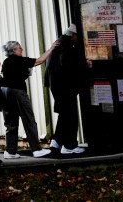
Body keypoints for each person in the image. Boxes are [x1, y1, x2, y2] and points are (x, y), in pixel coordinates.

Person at [0, 39, 57, 159]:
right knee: (29, 119)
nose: (22, 50)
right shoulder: (19, 60)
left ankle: (10, 151)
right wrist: (51, 48)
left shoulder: (6, 62)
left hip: (5, 92)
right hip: (18, 91)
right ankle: (36, 149)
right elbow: (40, 60)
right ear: (14, 50)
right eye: (20, 48)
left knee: (11, 122)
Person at [48, 24, 91, 155]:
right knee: (70, 115)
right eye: (78, 36)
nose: (79, 39)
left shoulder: (60, 44)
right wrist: (85, 64)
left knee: (65, 113)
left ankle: (57, 141)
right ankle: (69, 145)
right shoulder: (66, 47)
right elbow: (68, 66)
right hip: (65, 86)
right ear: (72, 35)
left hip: (58, 85)